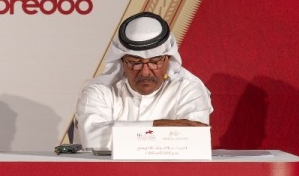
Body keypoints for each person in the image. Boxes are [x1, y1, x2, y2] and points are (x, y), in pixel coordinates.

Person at [74, 11, 212, 150]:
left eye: (154, 62)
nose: (145, 72)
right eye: (135, 62)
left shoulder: (189, 88)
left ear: (167, 59)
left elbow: (194, 144)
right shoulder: (99, 90)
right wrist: (161, 126)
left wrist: (122, 134)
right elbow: (94, 142)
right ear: (122, 61)